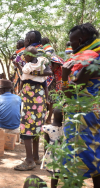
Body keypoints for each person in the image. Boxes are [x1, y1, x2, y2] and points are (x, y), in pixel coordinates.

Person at [61, 23, 100, 187]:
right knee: (95, 151)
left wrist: (64, 76)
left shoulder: (89, 63)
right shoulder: (96, 59)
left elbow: (71, 92)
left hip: (82, 115)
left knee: (77, 154)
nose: (71, 46)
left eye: (72, 42)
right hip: (94, 111)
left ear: (81, 39)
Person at [14, 30, 52, 171]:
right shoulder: (43, 56)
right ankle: (35, 157)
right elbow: (48, 72)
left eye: (26, 38)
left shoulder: (29, 58)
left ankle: (29, 160)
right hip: (40, 94)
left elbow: (48, 72)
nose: (24, 40)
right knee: (36, 126)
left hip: (31, 95)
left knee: (26, 128)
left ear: (30, 40)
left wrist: (29, 72)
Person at [41, 37, 65, 124]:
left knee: (51, 100)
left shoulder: (48, 49)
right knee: (51, 99)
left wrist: (51, 71)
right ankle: (49, 118)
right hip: (53, 78)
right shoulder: (49, 49)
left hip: (52, 79)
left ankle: (49, 118)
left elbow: (57, 62)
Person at [41, 108, 63, 188]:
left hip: (52, 154)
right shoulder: (65, 128)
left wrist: (45, 155)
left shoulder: (48, 128)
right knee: (64, 173)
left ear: (53, 114)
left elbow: (46, 144)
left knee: (54, 174)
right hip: (63, 153)